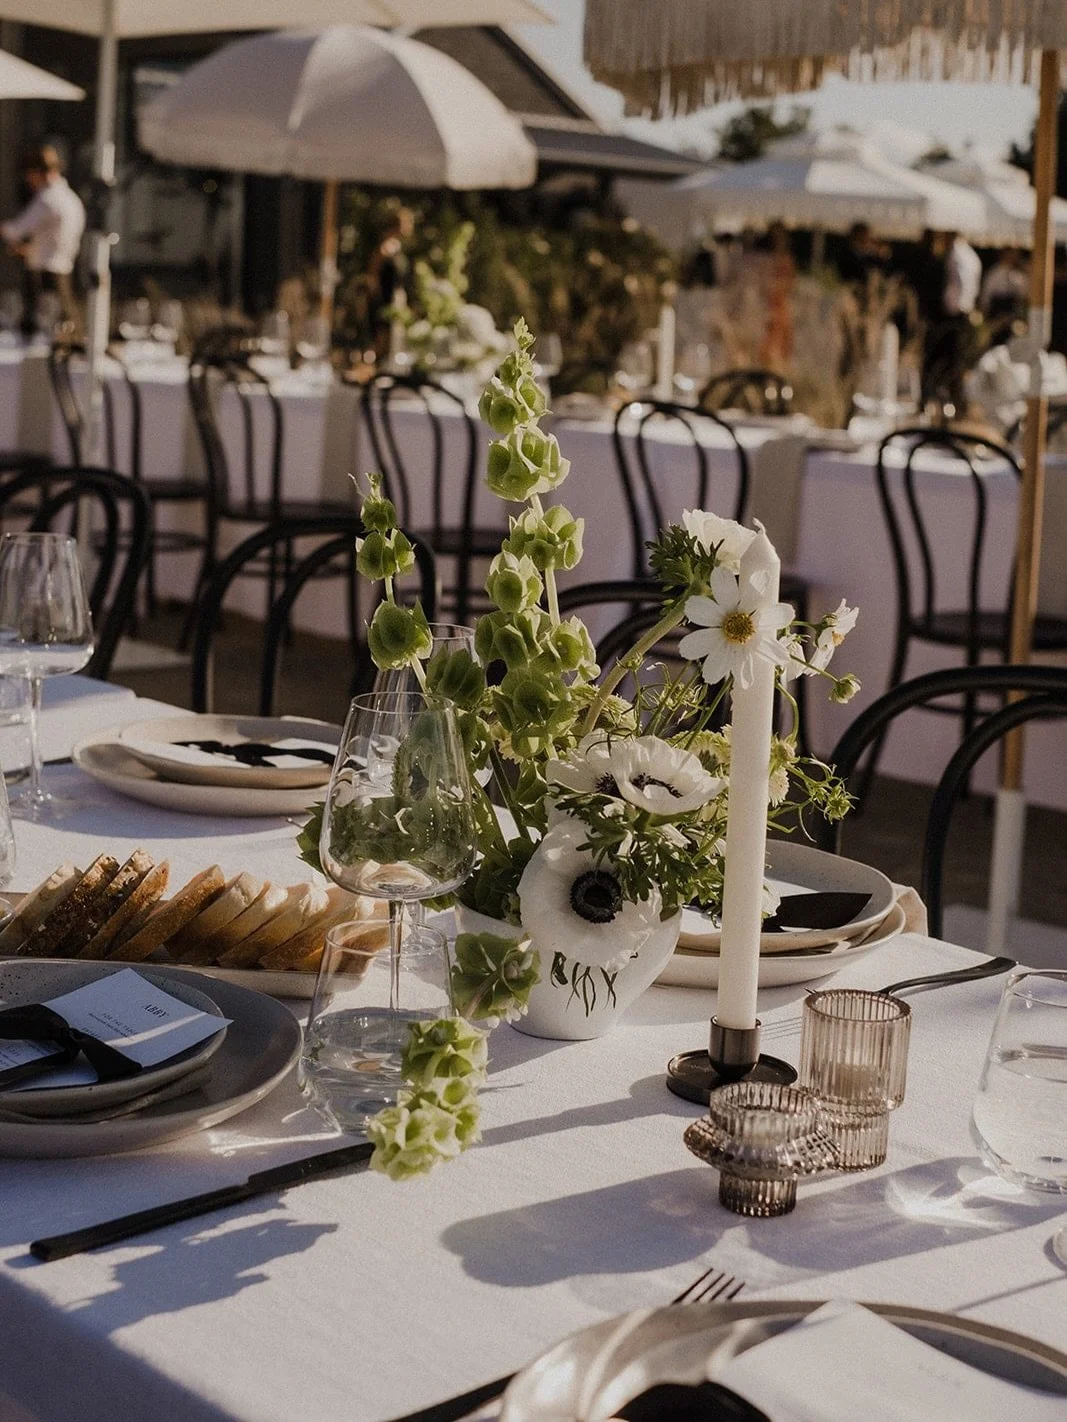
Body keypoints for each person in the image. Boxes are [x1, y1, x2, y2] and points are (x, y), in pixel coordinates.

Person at [1, 145, 85, 337]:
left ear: (38, 173)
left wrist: (6, 231)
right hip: (63, 271)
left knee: (42, 333)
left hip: (44, 276)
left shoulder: (48, 199)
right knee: (67, 329)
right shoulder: (71, 199)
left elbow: (16, 230)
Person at [980, 247, 1029, 344]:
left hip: (1013, 318)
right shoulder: (994, 273)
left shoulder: (1019, 275)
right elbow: (985, 297)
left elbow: (1024, 295)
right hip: (996, 317)